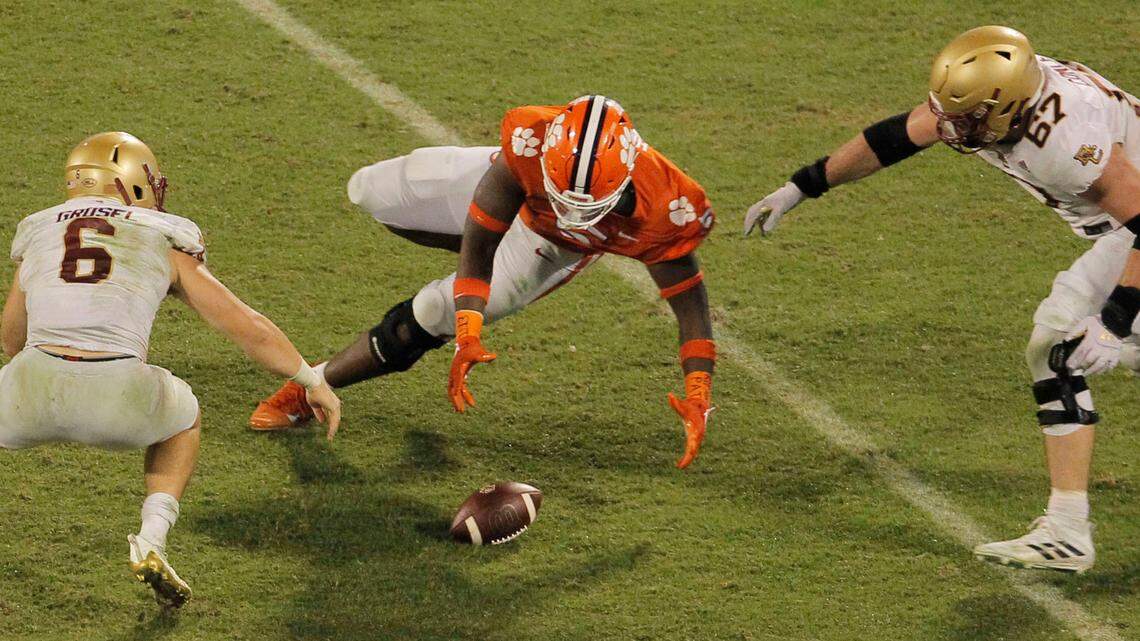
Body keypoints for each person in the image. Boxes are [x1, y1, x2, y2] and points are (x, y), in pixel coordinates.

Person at [743, 26, 1140, 573]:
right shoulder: (1004, 96)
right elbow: (898, 137)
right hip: (1125, 228)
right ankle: (1067, 525)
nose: (952, 129)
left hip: (1134, 226)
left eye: (970, 119)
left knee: (1062, 341)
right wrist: (806, 184)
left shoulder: (1066, 144)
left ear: (1008, 106)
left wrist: (1114, 321)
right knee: (1064, 342)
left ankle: (1067, 530)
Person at [251, 95, 717, 469]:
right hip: (514, 198)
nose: (570, 208)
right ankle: (488, 249)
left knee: (436, 312)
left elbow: (689, 306)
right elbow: (478, 250)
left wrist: (699, 393)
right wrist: (470, 331)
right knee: (371, 191)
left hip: (554, 246)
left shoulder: (668, 208)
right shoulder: (529, 144)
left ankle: (310, 386)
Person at [0, 132, 342, 608]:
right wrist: (310, 379)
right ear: (132, 182)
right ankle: (152, 537)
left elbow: (11, 337)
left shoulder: (40, 230)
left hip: (30, 386)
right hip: (117, 397)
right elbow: (247, 328)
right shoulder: (164, 238)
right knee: (184, 418)